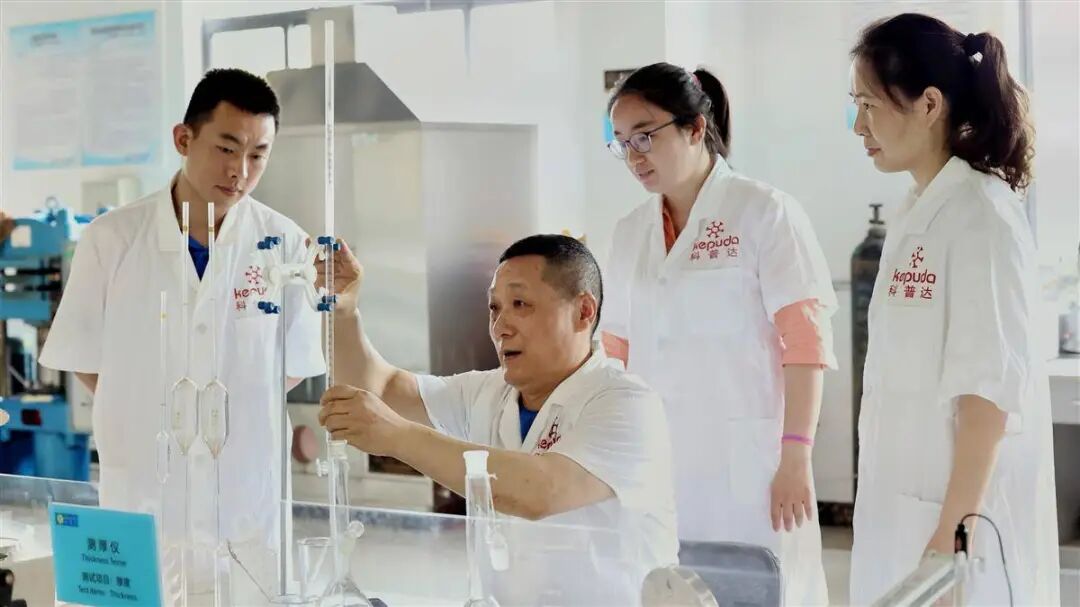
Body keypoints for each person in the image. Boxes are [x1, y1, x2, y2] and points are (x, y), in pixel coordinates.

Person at [40, 68, 324, 594]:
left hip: (243, 507)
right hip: (144, 495)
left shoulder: (283, 244)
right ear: (183, 138)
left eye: (258, 155)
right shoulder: (112, 238)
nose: (240, 170)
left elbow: (290, 366)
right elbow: (84, 356)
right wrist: (148, 409)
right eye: (227, 148)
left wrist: (221, 414)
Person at [318, 234, 678, 603]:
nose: (501, 326)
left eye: (520, 304)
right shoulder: (488, 393)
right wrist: (343, 313)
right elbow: (380, 388)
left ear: (583, 311)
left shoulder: (626, 402)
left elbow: (540, 492)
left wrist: (396, 437)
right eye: (494, 308)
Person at [600, 62, 837, 604]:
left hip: (752, 468)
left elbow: (805, 345)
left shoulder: (764, 212)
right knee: (671, 592)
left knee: (764, 590)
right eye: (622, 142)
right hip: (661, 465)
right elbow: (614, 352)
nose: (634, 156)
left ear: (695, 128)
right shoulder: (630, 231)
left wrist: (796, 455)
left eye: (645, 136)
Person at [848, 13, 1060, 605]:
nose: (859, 126)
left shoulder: (981, 216)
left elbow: (986, 398)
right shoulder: (917, 210)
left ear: (928, 104)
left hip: (960, 527)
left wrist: (951, 540)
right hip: (905, 509)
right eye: (855, 107)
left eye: (869, 105)